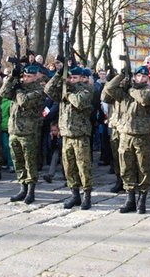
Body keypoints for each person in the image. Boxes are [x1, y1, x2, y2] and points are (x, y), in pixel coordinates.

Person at [102, 66, 150, 214]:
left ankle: (142, 199)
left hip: (142, 136)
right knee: (126, 167)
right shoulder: (124, 93)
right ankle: (130, 198)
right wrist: (121, 75)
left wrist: (130, 89)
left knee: (143, 168)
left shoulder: (149, 91)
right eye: (138, 76)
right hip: (125, 135)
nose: (141, 79)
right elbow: (108, 89)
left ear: (147, 79)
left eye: (144, 77)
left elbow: (144, 99)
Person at [45, 65, 94, 209]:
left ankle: (87, 196)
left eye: (75, 77)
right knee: (69, 167)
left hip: (80, 135)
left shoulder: (86, 89)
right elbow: (48, 89)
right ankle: (75, 195)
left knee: (83, 167)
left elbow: (79, 102)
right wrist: (58, 74)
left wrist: (67, 92)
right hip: (66, 134)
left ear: (81, 78)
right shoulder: (64, 89)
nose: (72, 80)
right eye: (70, 77)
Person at [0, 65, 45, 204]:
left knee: (29, 162)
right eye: (24, 76)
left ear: (36, 77)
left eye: (29, 76)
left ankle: (31, 190)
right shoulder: (18, 87)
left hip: (28, 132)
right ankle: (22, 188)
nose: (26, 79)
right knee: (18, 161)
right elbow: (2, 93)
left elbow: (23, 101)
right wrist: (12, 78)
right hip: (14, 130)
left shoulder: (39, 90)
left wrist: (18, 88)